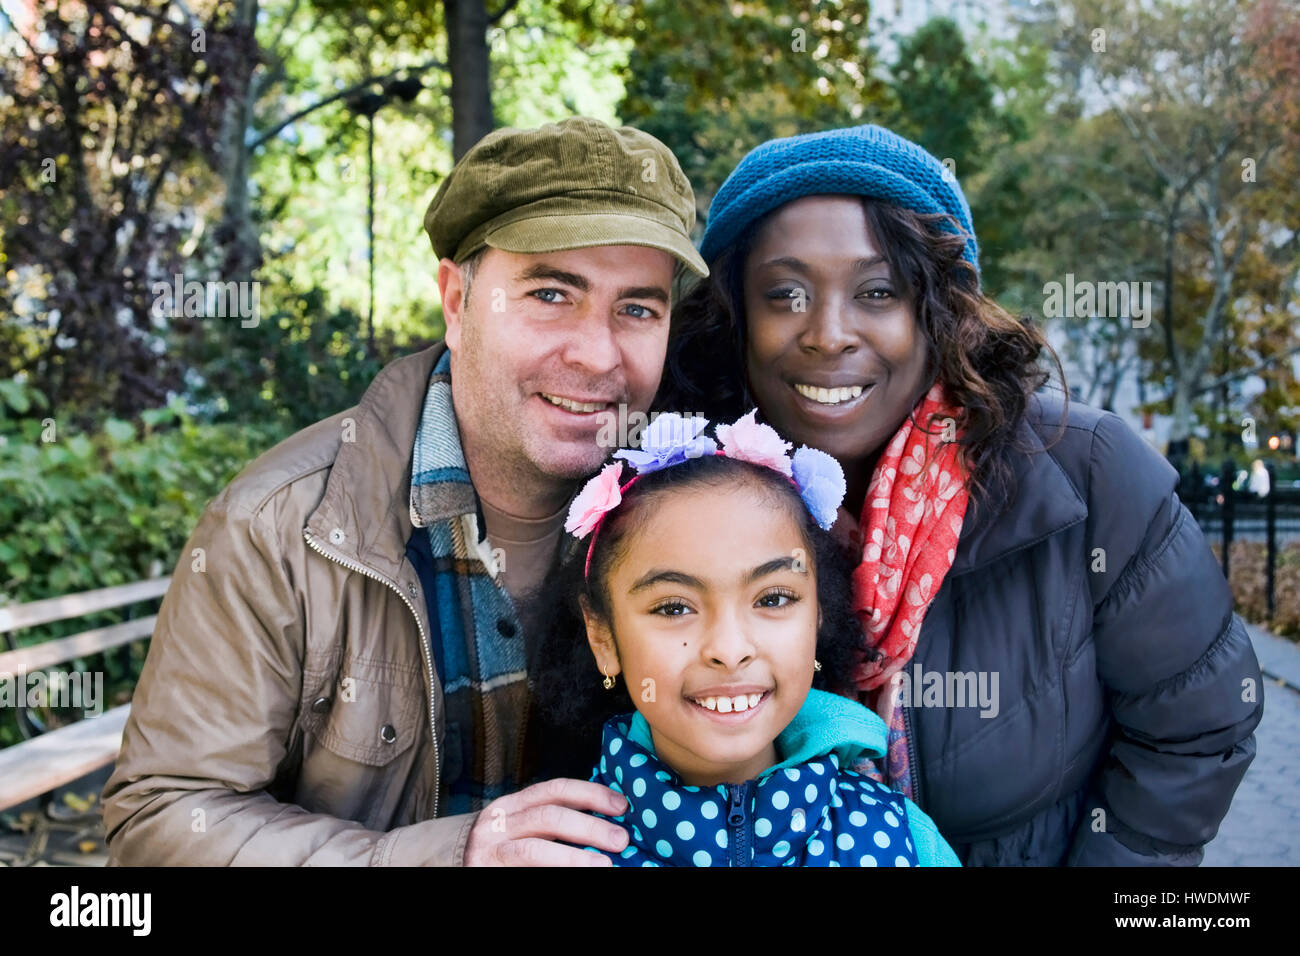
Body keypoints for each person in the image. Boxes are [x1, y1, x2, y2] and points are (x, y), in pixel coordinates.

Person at [101, 117, 708, 866]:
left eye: (637, 308)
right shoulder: (283, 523)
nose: (596, 353)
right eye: (552, 294)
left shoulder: (696, 512)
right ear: (456, 302)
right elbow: (161, 817)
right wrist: (447, 857)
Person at [656, 124, 1263, 865]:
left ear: (939, 312)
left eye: (878, 292)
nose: (828, 334)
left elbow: (1197, 727)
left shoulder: (1089, 473)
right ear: (736, 317)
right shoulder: (665, 495)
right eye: (784, 294)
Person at [531, 412, 960, 866]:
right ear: (603, 637)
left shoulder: (902, 839)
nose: (730, 650)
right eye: (674, 608)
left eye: (773, 599)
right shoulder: (554, 855)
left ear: (818, 613)